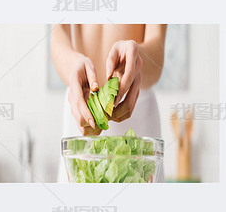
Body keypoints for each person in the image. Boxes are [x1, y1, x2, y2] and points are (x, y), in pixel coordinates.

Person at [51, 24, 167, 182]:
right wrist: (74, 67)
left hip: (135, 109)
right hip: (80, 106)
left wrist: (135, 59)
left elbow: (157, 51)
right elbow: (58, 37)